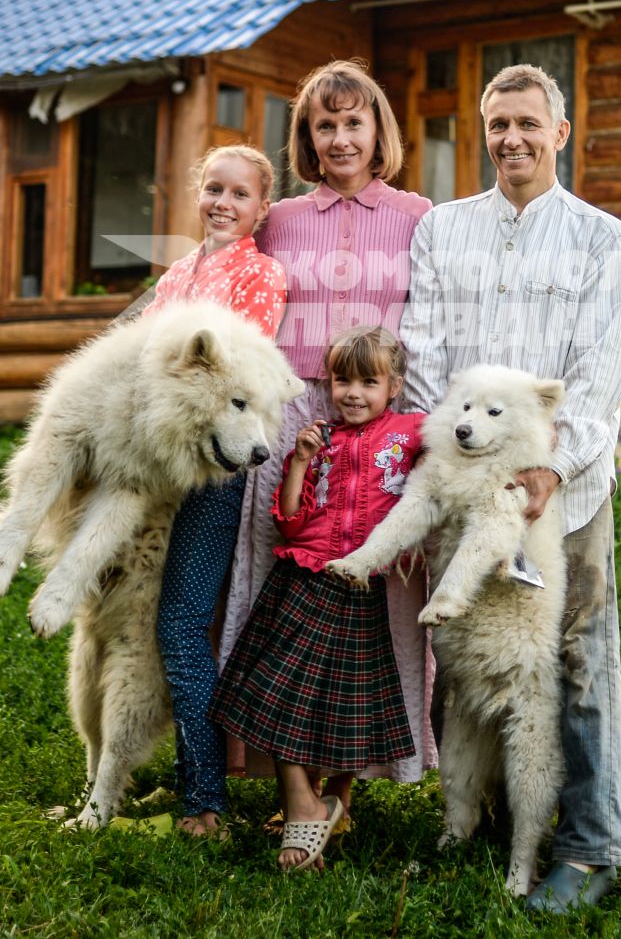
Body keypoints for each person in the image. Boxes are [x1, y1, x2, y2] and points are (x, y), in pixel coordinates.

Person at [399, 63, 621, 914]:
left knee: (574, 659)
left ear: (560, 134)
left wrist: (549, 469)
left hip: (561, 495)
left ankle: (592, 842)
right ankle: (484, 819)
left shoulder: (601, 240)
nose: (512, 139)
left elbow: (601, 373)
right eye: (498, 124)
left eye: (529, 124)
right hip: (463, 492)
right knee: (463, 656)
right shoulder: (444, 231)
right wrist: (444, 476)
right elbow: (423, 357)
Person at [223, 60, 438, 804]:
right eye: (326, 125)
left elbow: (433, 326)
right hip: (291, 413)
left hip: (382, 423)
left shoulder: (418, 216)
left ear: (378, 130)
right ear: (308, 139)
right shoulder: (280, 220)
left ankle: (364, 765)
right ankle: (276, 754)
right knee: (277, 575)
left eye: (354, 122)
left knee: (385, 586)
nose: (341, 137)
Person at [210, 326, 424, 871]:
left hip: (361, 584)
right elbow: (289, 520)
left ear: (394, 386)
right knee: (274, 692)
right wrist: (301, 460)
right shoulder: (318, 439)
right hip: (302, 579)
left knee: (346, 705)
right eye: (341, 380)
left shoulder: (412, 432)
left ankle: (335, 806)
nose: (352, 392)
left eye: (368, 382)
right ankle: (303, 804)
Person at [137, 143, 287, 840]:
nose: (224, 204)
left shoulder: (261, 276)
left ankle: (205, 804)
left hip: (214, 477)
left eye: (241, 194)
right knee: (148, 621)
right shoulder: (173, 278)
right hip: (158, 466)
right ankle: (176, 779)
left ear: (262, 209)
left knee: (181, 623)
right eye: (214, 189)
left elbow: (232, 380)